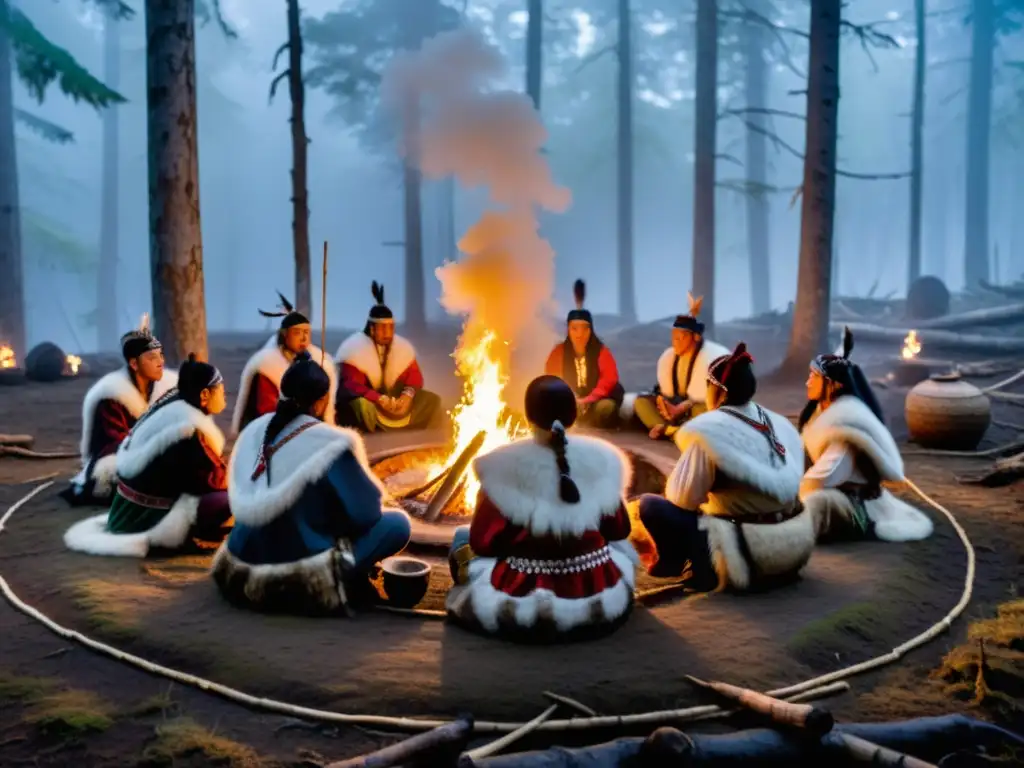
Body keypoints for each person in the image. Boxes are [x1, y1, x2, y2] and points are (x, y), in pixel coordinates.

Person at [212, 352, 412, 615]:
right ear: (321, 402)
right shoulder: (330, 444)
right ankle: (344, 580)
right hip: (300, 572)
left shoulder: (254, 431)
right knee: (397, 524)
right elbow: (367, 513)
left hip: (244, 558)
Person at [446, 375, 639, 643]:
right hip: (596, 586)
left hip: (523, 591)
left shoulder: (502, 466)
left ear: (528, 418)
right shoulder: (603, 459)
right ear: (572, 416)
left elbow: (483, 542)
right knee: (620, 549)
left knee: (461, 538)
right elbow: (619, 529)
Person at [632, 343, 814, 593]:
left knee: (650, 505)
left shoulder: (710, 431)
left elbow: (681, 498)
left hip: (743, 552)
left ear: (716, 391)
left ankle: (694, 568)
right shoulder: (778, 422)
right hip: (792, 545)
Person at [63, 355, 233, 558]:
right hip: (147, 519)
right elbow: (212, 481)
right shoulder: (190, 429)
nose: (224, 397)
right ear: (204, 395)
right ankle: (199, 538)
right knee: (233, 501)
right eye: (221, 391)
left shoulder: (173, 400)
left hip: (125, 508)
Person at [798, 327, 933, 542]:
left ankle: (861, 526)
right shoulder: (822, 413)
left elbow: (825, 476)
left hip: (856, 504)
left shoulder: (845, 426)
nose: (808, 382)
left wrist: (787, 492)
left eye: (814, 377)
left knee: (813, 505)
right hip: (832, 488)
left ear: (832, 385)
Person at [61, 314, 178, 506]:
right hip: (119, 455)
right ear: (134, 364)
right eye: (152, 358)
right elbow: (113, 441)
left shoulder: (170, 386)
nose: (160, 363)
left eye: (161, 356)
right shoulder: (112, 395)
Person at [335, 281, 442, 433]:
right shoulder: (355, 349)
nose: (387, 333)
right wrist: (379, 399)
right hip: (370, 401)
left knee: (431, 400)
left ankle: (412, 427)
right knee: (360, 406)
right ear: (372, 329)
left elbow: (414, 376)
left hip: (396, 402)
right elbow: (352, 385)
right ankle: (373, 429)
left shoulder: (401, 348)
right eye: (382, 328)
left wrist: (407, 396)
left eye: (390, 328)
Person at [620, 292, 729, 440]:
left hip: (693, 408)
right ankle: (666, 429)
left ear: (695, 337)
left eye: (680, 338)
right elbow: (666, 393)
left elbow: (706, 397)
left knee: (705, 411)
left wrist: (681, 408)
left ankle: (673, 431)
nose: (675, 342)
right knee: (641, 402)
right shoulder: (669, 357)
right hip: (674, 407)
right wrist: (664, 403)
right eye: (673, 337)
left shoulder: (711, 358)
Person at [231, 292, 337, 436]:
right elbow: (266, 409)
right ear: (284, 335)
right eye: (297, 333)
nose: (303, 338)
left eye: (307, 332)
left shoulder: (319, 360)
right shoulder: (268, 364)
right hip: (273, 428)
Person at [544, 279, 624, 428]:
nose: (579, 334)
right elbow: (553, 378)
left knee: (606, 408)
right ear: (568, 330)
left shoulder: (601, 351)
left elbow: (609, 379)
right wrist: (571, 398)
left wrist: (589, 399)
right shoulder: (558, 352)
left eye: (584, 329)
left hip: (596, 401)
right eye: (574, 328)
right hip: (569, 401)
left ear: (590, 330)